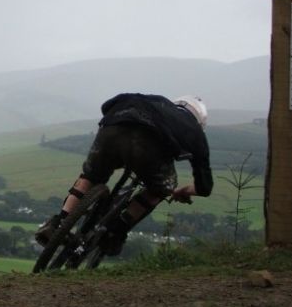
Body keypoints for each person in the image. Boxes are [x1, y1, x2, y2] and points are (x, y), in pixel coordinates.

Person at [35, 93, 213, 255]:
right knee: (162, 188)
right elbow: (205, 187)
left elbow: (107, 105)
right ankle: (114, 233)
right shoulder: (195, 131)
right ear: (199, 121)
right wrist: (183, 191)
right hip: (146, 146)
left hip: (113, 125)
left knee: (91, 176)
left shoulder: (156, 101)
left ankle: (58, 224)